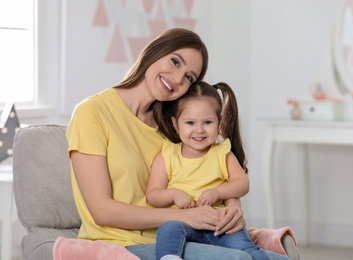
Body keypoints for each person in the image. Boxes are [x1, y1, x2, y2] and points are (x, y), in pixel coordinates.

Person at [66, 28, 258, 260]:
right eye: (175, 62)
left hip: (179, 237)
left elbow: (212, 167)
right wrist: (182, 217)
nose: (178, 79)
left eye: (189, 77)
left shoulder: (174, 127)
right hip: (118, 244)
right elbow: (102, 211)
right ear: (154, 52)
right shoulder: (93, 112)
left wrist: (233, 206)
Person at [147, 82, 289, 260]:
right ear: (176, 124)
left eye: (207, 122)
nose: (199, 130)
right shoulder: (167, 155)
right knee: (168, 229)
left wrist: (217, 192)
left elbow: (242, 183)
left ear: (219, 122)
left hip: (220, 225)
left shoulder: (222, 153)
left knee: (248, 252)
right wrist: (173, 194)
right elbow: (153, 195)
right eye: (190, 122)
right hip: (184, 224)